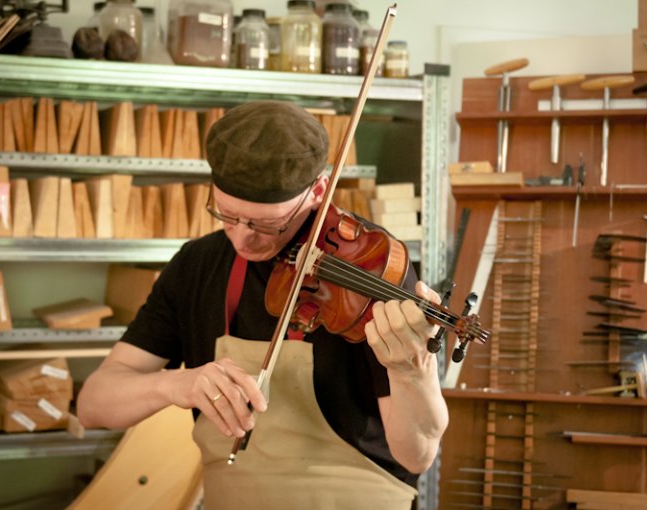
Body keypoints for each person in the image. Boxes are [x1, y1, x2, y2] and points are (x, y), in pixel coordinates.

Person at [77, 100, 449, 509]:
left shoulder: (372, 268)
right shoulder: (197, 264)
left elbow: (417, 455)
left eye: (267, 224)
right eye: (227, 215)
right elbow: (94, 404)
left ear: (318, 192)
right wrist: (174, 384)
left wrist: (411, 371)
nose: (242, 239)